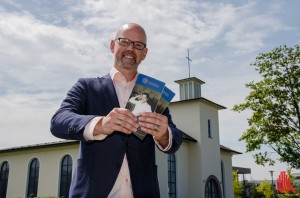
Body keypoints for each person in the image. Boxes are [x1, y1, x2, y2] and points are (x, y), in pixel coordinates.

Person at [50, 23, 182, 198]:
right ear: (113, 45)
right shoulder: (87, 86)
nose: (130, 48)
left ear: (144, 53)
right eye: (124, 41)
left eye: (138, 45)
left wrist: (164, 134)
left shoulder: (153, 94)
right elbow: (58, 120)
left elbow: (175, 138)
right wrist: (100, 124)